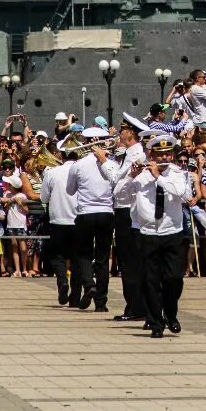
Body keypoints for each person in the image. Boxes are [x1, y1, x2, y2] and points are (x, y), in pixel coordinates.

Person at [129, 135, 190, 338]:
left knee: (174, 278)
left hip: (172, 232)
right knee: (150, 280)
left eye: (167, 153)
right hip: (148, 233)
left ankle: (170, 313)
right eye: (160, 153)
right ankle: (156, 323)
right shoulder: (141, 175)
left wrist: (159, 177)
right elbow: (118, 194)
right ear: (152, 155)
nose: (164, 156)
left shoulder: (178, 173)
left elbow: (181, 193)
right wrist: (130, 176)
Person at [97, 117, 147, 321]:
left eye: (123, 129)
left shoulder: (136, 154)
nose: (119, 132)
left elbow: (117, 182)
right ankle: (134, 306)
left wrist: (103, 160)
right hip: (125, 210)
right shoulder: (130, 154)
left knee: (130, 262)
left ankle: (135, 307)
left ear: (131, 133)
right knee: (127, 261)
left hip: (128, 211)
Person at [67, 125, 115, 311]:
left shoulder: (78, 165)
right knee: (103, 257)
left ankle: (89, 284)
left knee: (83, 253)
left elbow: (70, 190)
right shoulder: (113, 164)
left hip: (85, 212)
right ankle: (101, 303)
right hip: (106, 213)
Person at [42, 145, 79, 305]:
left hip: (57, 220)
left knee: (57, 256)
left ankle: (63, 282)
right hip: (78, 219)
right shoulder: (81, 171)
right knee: (78, 257)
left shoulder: (52, 172)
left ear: (61, 156)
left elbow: (44, 198)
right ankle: (76, 295)